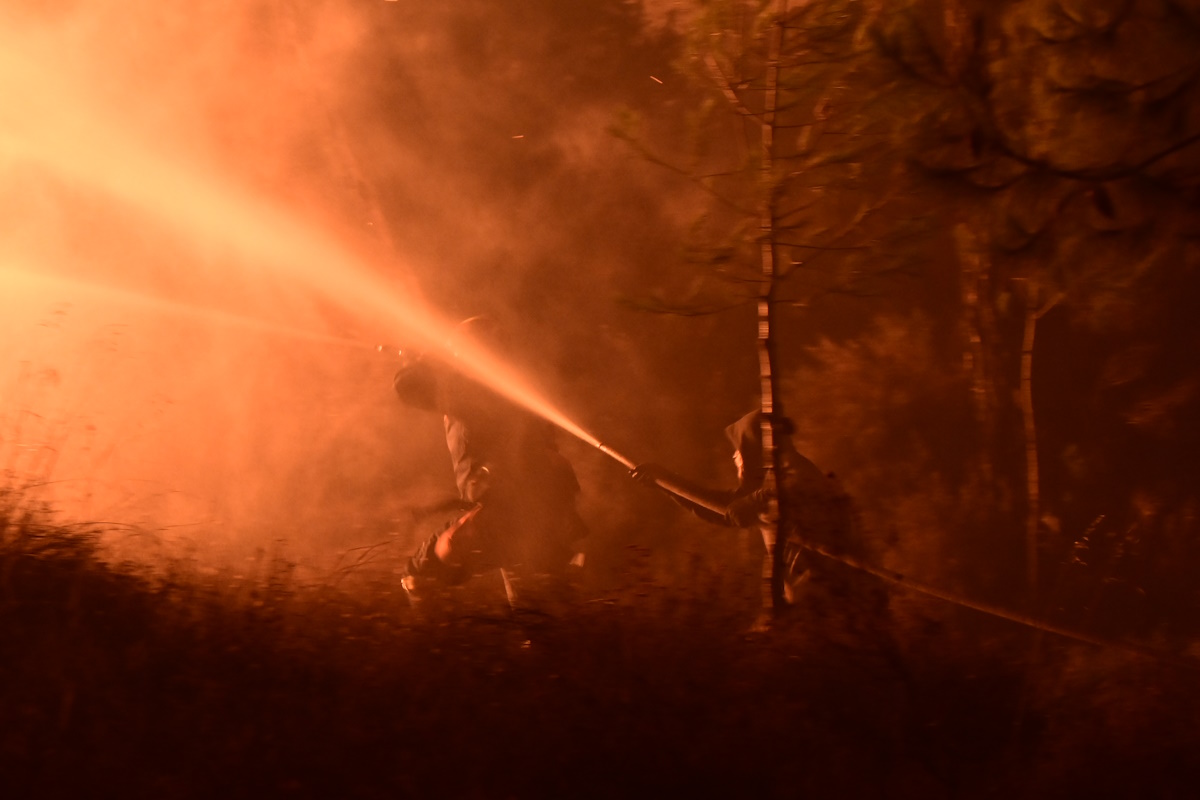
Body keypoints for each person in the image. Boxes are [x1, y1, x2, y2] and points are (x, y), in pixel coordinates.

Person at [392, 316, 587, 609]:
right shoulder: (507, 386)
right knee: (535, 604)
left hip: (504, 509)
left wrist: (415, 361)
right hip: (527, 512)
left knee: (423, 572)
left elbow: (411, 386)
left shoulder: (474, 390)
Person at [631, 410, 877, 623]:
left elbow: (797, 491)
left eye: (739, 448)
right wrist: (665, 481)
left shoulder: (798, 476)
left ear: (753, 446)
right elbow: (723, 509)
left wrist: (756, 499)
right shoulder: (769, 486)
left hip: (828, 607)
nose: (734, 457)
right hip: (804, 606)